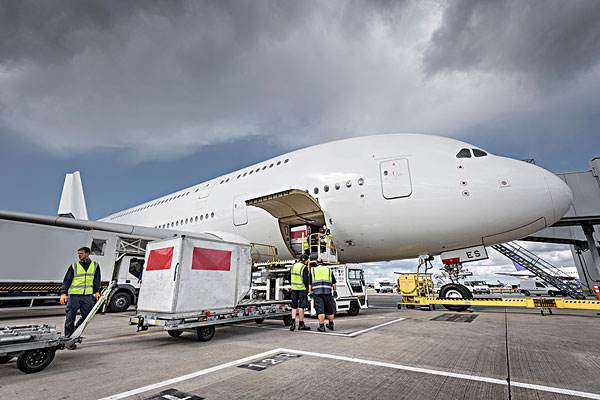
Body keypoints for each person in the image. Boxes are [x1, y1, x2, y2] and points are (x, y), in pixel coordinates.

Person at [60, 246, 101, 346]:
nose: (79, 255)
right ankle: (69, 339)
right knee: (70, 317)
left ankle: (74, 334)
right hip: (74, 296)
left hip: (87, 296)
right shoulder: (74, 266)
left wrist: (97, 292)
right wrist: (63, 293)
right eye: (78, 253)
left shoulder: (95, 265)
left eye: (81, 253)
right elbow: (67, 280)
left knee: (87, 317)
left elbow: (96, 280)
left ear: (87, 253)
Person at [309, 258, 337, 332]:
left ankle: (322, 327)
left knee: (320, 309)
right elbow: (333, 283)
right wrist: (334, 290)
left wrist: (310, 292)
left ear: (316, 263)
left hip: (317, 292)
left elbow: (310, 283)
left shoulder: (313, 270)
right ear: (323, 263)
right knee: (329, 309)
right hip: (327, 292)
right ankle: (331, 324)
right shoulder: (328, 270)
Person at [289, 255, 311, 331]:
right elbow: (305, 280)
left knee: (294, 306)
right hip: (302, 289)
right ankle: (301, 324)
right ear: (305, 260)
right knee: (301, 306)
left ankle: (292, 323)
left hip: (294, 289)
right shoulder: (304, 267)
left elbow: (289, 277)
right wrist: (307, 289)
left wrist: (292, 285)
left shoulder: (293, 266)